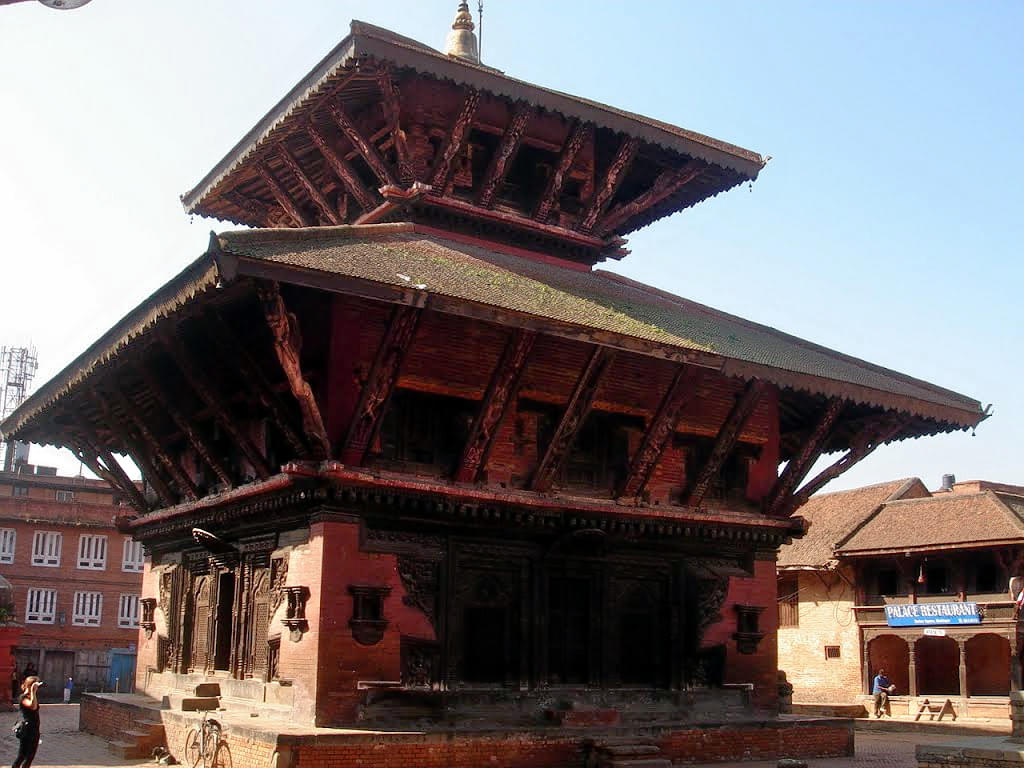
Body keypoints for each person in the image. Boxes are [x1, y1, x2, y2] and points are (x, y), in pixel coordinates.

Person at [12, 675, 41, 768]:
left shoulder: (32, 696)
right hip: (27, 730)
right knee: (22, 756)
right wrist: (33, 691)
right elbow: (33, 706)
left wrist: (33, 693)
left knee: (30, 757)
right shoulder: (23, 697)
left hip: (34, 729)